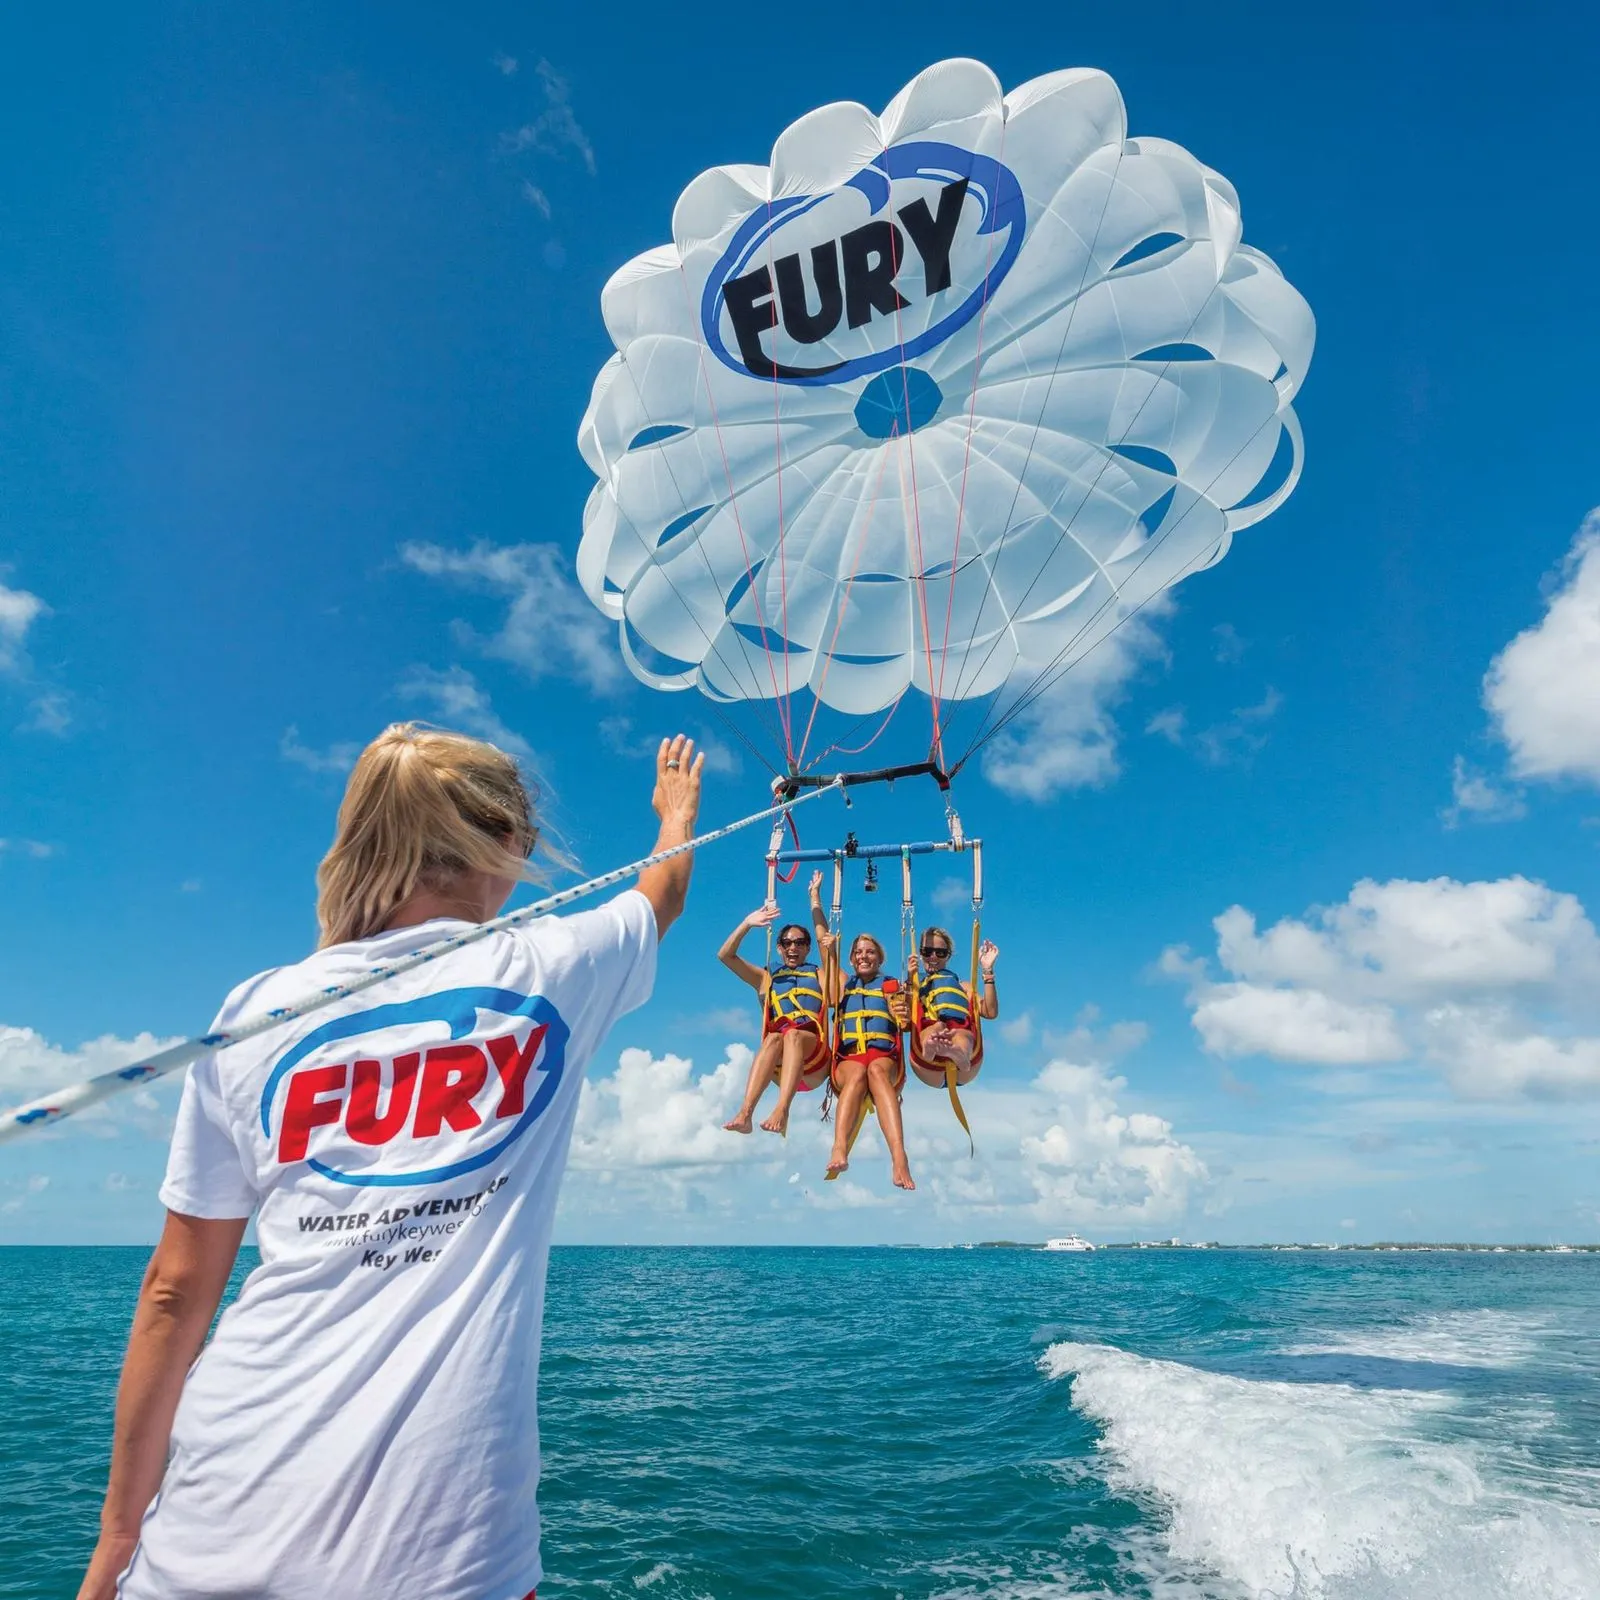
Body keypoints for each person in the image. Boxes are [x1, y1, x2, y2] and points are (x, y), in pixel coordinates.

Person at [77, 726, 705, 1600]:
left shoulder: (258, 1009)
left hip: (202, 1536)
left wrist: (116, 1540)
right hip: (440, 1568)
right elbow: (662, 893)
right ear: (504, 843)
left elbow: (175, 1295)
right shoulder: (549, 970)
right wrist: (676, 814)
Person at [719, 871, 835, 1136]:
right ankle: (745, 1113)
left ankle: (782, 1110)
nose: (793, 947)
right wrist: (747, 924)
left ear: (807, 948)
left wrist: (815, 900)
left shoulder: (819, 973)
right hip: (779, 1067)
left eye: (800, 943)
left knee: (792, 1034)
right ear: (780, 948)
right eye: (787, 943)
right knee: (773, 1038)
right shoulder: (767, 977)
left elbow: (824, 941)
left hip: (814, 1062)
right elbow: (726, 956)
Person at [827, 933, 914, 1191]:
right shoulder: (842, 984)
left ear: (879, 958)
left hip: (883, 1057)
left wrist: (904, 1011)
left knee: (874, 1069)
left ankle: (899, 1157)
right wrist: (816, 899)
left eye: (870, 952)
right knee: (857, 1073)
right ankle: (839, 1148)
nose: (864, 956)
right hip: (849, 1058)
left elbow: (905, 1024)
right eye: (859, 952)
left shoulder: (890, 986)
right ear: (852, 959)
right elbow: (824, 945)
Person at [906, 928, 1000, 1088]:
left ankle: (959, 1054)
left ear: (948, 955)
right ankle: (930, 1049)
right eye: (927, 951)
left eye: (940, 952)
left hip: (966, 1067)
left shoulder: (963, 986)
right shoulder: (913, 985)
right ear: (920, 954)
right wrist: (910, 980)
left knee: (961, 1034)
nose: (933, 957)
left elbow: (990, 1012)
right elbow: (904, 1023)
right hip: (928, 1067)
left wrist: (987, 970)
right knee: (936, 1027)